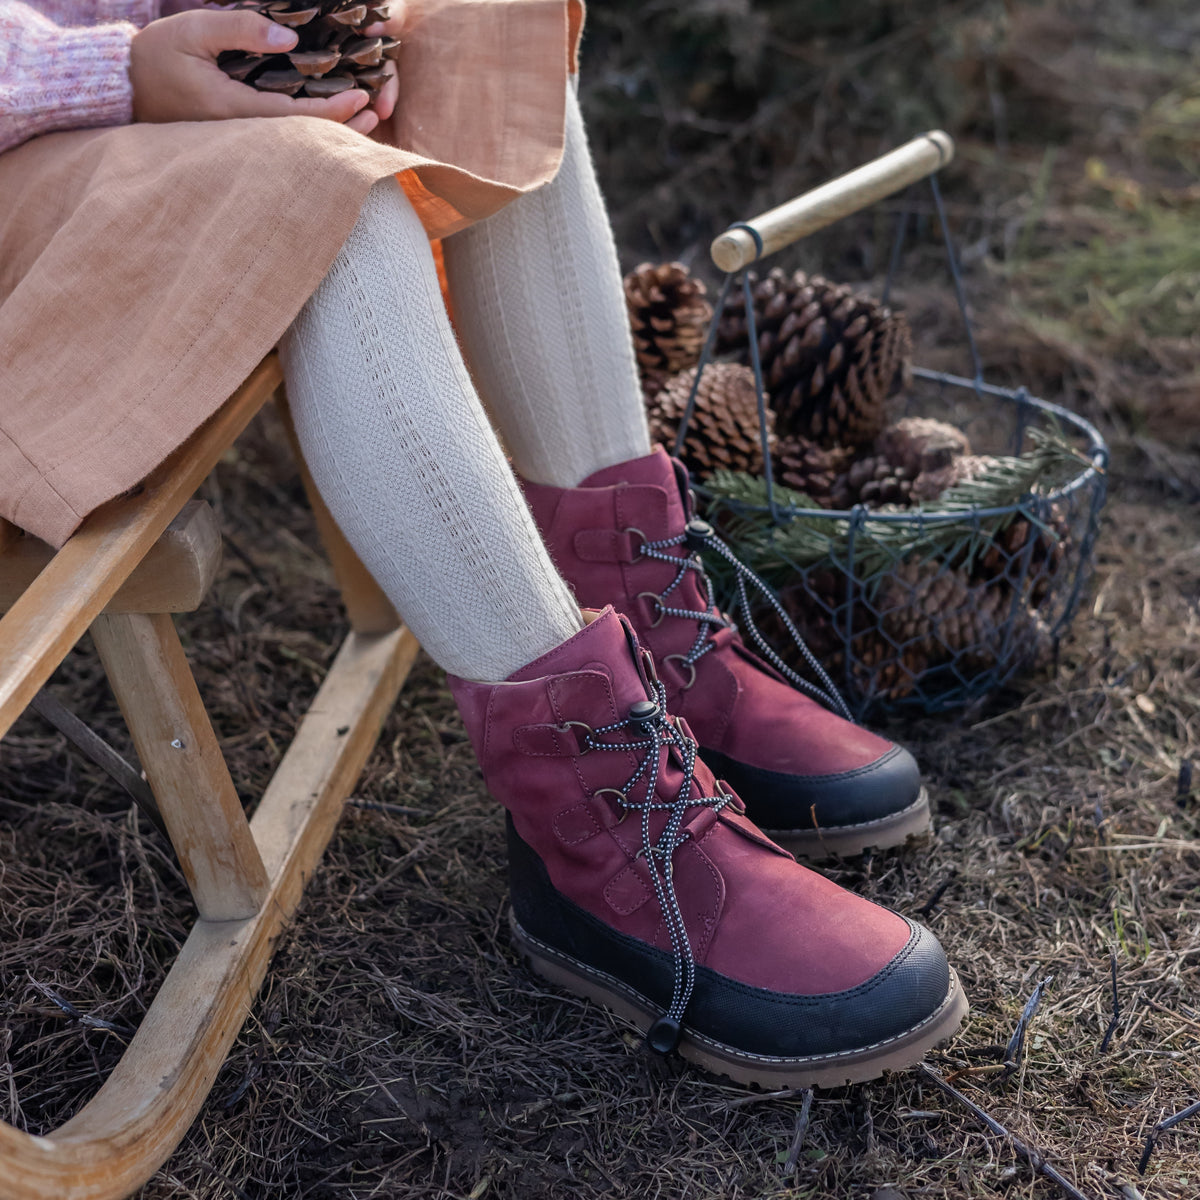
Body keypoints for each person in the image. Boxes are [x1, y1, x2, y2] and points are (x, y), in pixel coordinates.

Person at [0, 0, 966, 1086]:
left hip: (160, 89)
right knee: (321, 188)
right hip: (35, 140)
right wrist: (108, 71)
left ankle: (649, 638)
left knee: (487, 38)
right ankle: (597, 820)